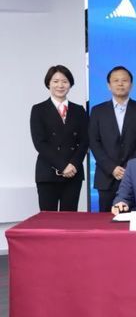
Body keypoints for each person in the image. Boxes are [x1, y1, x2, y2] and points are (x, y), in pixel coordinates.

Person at [89, 66, 136, 212]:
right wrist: (111, 168)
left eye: (124, 80)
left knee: (133, 218)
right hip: (106, 176)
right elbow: (94, 142)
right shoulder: (98, 111)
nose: (120, 84)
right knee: (105, 219)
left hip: (133, 175)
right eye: (116, 80)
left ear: (131, 84)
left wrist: (129, 167)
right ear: (108, 85)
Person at [30, 65, 89, 211]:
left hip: (73, 173)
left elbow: (85, 141)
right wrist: (62, 166)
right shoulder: (38, 109)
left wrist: (73, 164)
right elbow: (39, 143)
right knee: (48, 218)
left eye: (64, 81)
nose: (60, 85)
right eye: (55, 81)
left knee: (69, 218)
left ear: (70, 84)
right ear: (48, 83)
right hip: (48, 173)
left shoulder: (79, 110)